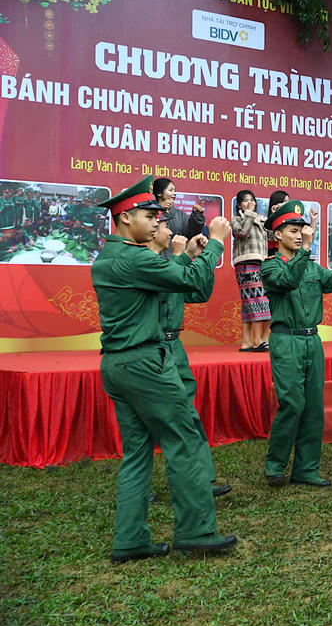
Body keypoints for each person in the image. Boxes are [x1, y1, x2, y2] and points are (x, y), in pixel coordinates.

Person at [92, 176, 237, 562]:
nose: (158, 222)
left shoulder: (110, 257)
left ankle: (130, 539)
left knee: (137, 453)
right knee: (184, 439)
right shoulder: (135, 258)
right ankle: (196, 529)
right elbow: (191, 281)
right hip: (145, 364)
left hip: (118, 364)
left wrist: (186, 255)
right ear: (125, 218)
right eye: (149, 216)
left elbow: (174, 282)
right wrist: (217, 241)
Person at [261, 200, 332, 487]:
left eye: (301, 229)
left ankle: (306, 469)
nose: (300, 234)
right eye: (293, 230)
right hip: (286, 340)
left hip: (312, 340)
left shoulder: (312, 268)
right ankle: (275, 465)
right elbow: (288, 280)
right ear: (278, 235)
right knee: (292, 404)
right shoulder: (269, 266)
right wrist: (304, 251)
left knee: (314, 407)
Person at [146, 217, 230, 499]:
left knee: (187, 415)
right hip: (154, 349)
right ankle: (156, 486)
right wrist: (192, 254)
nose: (171, 232)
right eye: (163, 226)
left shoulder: (170, 263)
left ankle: (200, 479)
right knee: (161, 420)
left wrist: (195, 258)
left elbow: (199, 291)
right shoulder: (147, 263)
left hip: (174, 346)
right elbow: (171, 280)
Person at [231, 189, 271, 352]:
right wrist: (248, 213)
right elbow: (242, 233)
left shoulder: (261, 220)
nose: (250, 202)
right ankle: (257, 341)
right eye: (245, 200)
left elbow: (274, 236)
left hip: (261, 263)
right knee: (255, 301)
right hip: (246, 264)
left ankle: (246, 342)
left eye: (252, 199)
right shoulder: (237, 219)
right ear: (239, 204)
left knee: (250, 302)